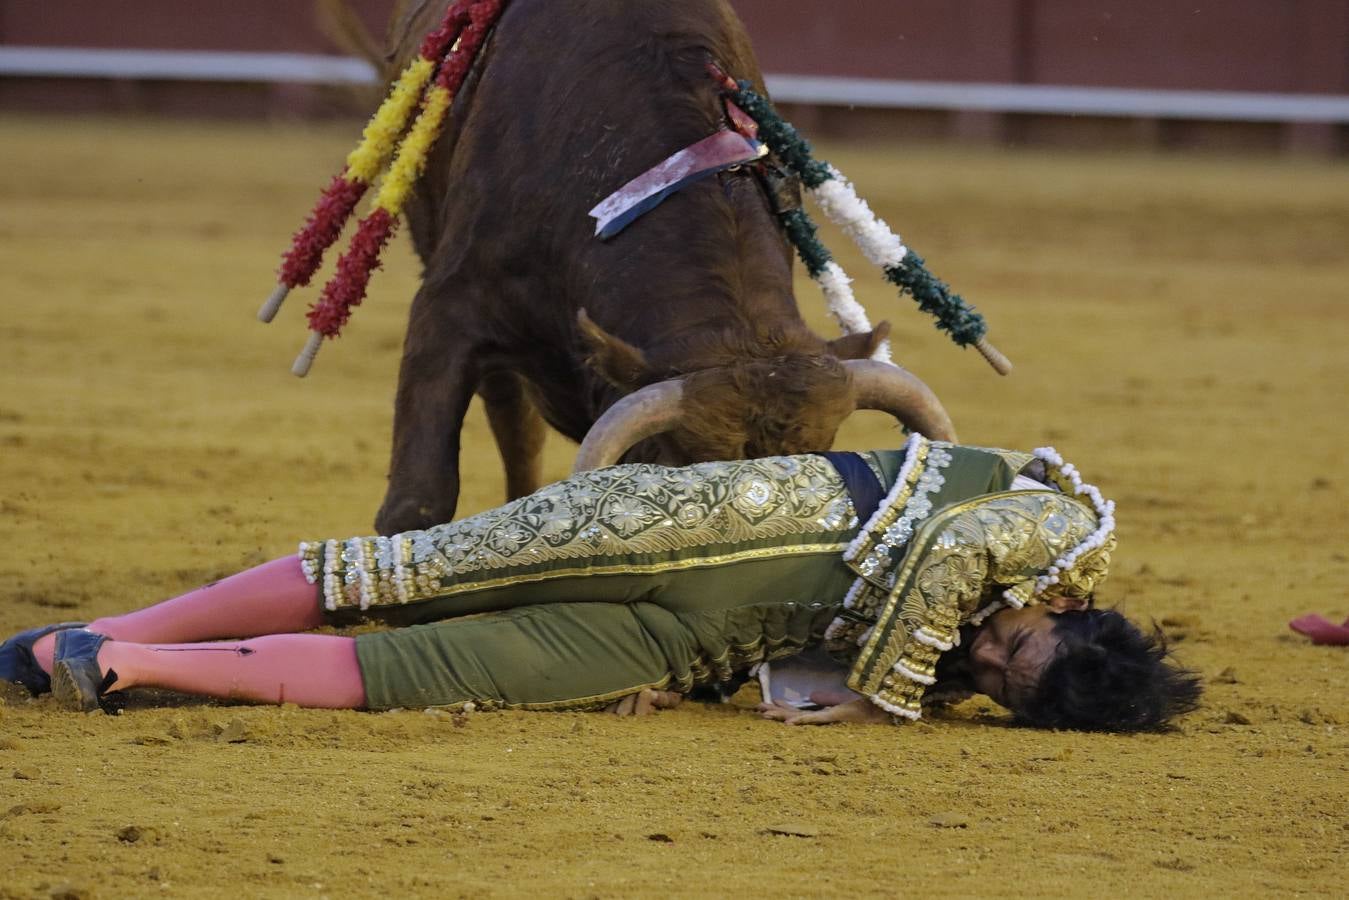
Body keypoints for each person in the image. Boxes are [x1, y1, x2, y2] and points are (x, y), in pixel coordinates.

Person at [1, 436, 1201, 731]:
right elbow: (938, 564)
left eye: (1001, 684)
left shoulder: (952, 672)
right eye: (1016, 646)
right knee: (409, 575)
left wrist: (727, 699)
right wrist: (885, 710)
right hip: (663, 531)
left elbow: (804, 683)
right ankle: (105, 625)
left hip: (687, 644)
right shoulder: (1060, 524)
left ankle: (118, 664)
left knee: (444, 670)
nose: (983, 656)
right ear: (1072, 609)